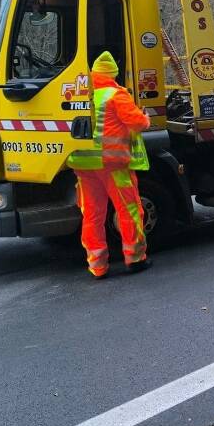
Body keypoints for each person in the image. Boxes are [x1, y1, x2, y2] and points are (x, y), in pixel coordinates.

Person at [67, 51, 152, 279]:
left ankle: (97, 266)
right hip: (112, 164)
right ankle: (135, 259)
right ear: (113, 74)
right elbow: (137, 122)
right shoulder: (116, 94)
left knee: (92, 214)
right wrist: (146, 118)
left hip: (83, 164)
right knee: (129, 209)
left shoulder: (82, 95)